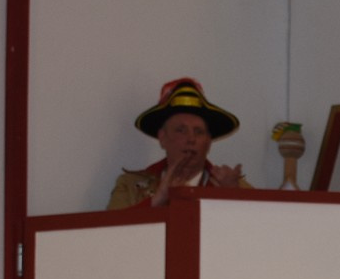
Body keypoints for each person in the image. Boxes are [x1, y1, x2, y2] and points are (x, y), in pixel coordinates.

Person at [107, 78, 250, 209]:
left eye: (199, 132)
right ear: (162, 138)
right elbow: (111, 227)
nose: (191, 139)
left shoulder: (235, 187)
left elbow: (259, 225)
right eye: (181, 130)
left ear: (208, 141)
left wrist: (233, 196)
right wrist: (158, 200)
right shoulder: (130, 186)